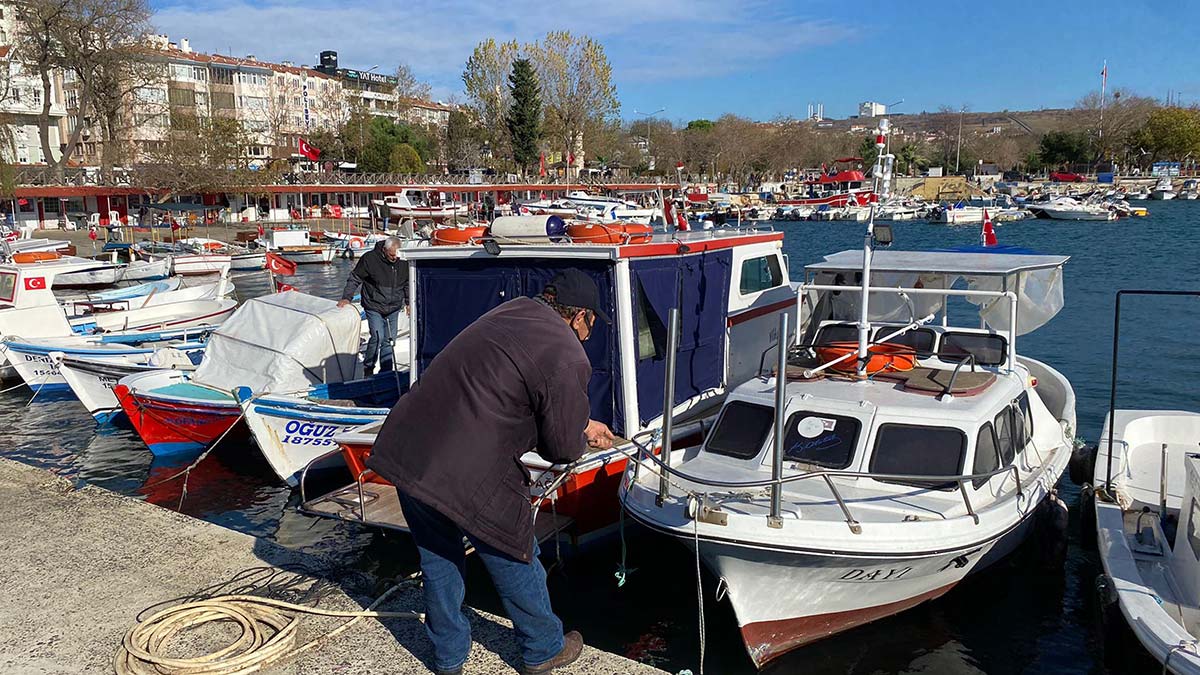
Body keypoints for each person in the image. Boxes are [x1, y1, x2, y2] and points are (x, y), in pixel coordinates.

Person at [367, 269, 616, 675]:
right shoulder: (568, 353)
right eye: (592, 323)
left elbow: (504, 385)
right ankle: (543, 647)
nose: (590, 333)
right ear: (579, 317)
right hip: (468, 466)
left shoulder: (513, 310)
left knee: (439, 556)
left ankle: (448, 657)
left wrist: (584, 423)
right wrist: (579, 435)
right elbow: (563, 448)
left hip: (409, 449)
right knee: (514, 550)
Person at [337, 236, 409, 374]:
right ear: (384, 250)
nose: (394, 258)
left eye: (396, 255)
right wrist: (346, 298)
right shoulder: (370, 259)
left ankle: (386, 371)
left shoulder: (403, 261)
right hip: (373, 305)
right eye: (391, 255)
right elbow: (355, 278)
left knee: (389, 340)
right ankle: (368, 367)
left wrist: (408, 302)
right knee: (377, 336)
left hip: (394, 307)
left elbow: (406, 283)